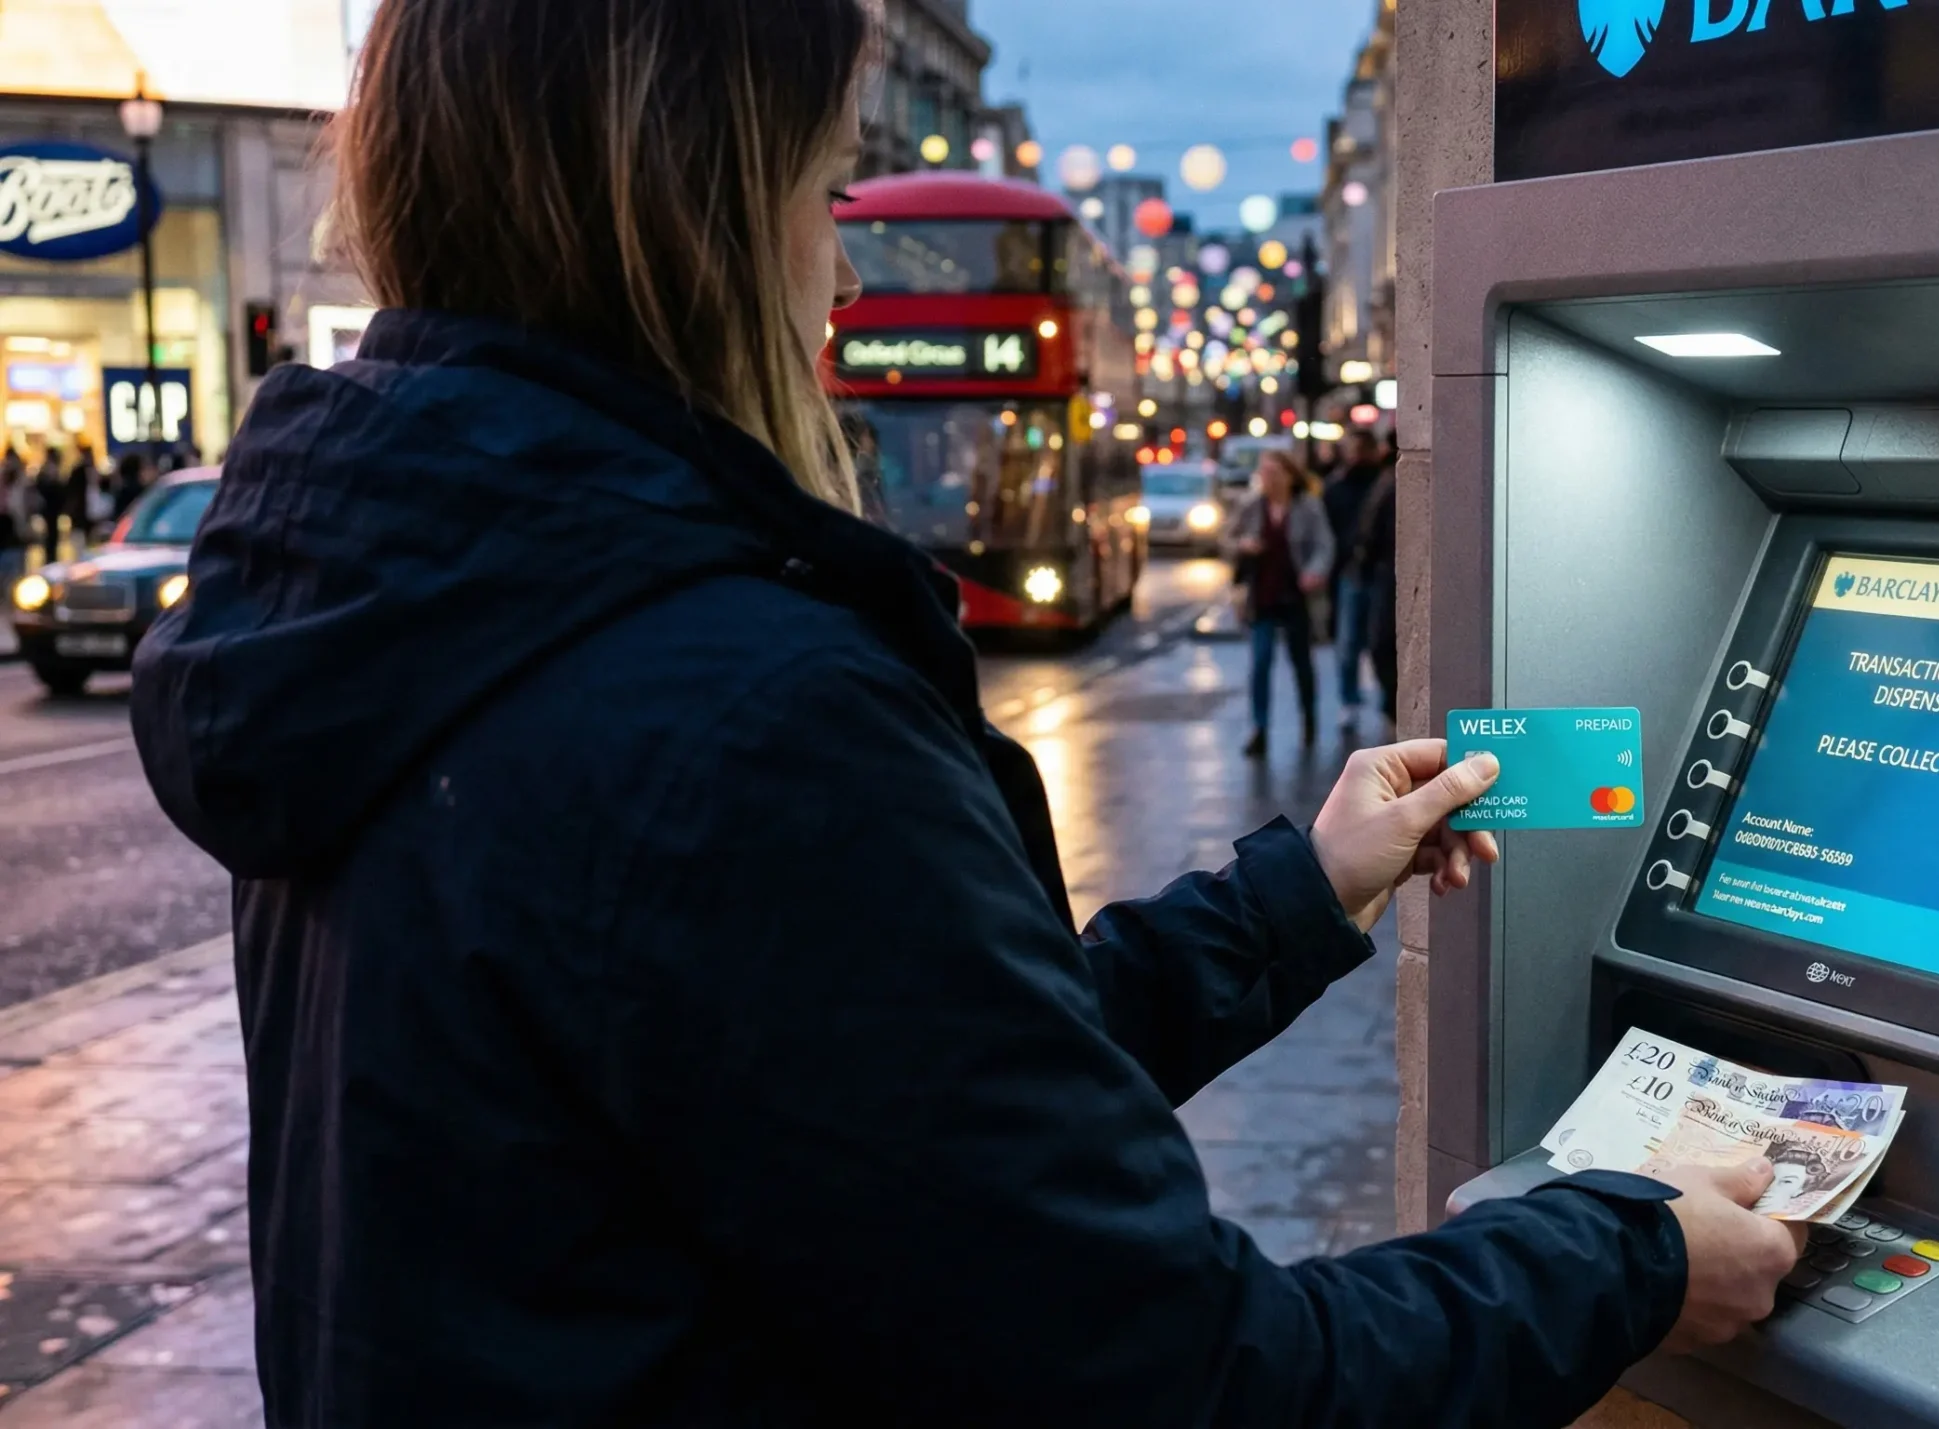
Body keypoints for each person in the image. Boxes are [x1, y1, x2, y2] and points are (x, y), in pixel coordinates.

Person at [129, 1, 1804, 1423]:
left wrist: (1303, 887)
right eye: (833, 187)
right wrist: (1628, 1248)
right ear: (712, 198)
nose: (843, 275)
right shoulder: (743, 712)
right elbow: (1195, 1374)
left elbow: (894, 1113)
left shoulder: (403, 612)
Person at [1223, 450, 1331, 757]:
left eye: (1274, 472)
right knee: (1260, 663)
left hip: (1296, 597)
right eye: (1264, 472)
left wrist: (1314, 571)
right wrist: (1242, 545)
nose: (1268, 479)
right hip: (1263, 597)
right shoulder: (1251, 506)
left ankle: (1309, 719)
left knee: (1301, 662)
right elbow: (1227, 539)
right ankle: (1259, 728)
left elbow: (1325, 544)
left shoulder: (1307, 506)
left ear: (1288, 475)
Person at [1322, 429, 1388, 729]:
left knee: (1379, 640)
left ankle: (1384, 701)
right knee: (1348, 643)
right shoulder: (1336, 487)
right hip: (1352, 571)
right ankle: (1349, 700)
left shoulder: (1382, 482)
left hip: (1376, 570)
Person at [1349, 446, 1399, 720]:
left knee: (1381, 641)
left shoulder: (1387, 486)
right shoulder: (1386, 487)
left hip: (1386, 573)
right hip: (1384, 573)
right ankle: (1391, 702)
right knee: (1380, 642)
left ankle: (1391, 702)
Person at [31, 447, 65, 563]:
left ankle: (51, 558)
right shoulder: (46, 472)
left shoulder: (51, 471)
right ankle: (49, 559)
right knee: (50, 536)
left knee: (53, 536)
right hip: (48, 509)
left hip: (52, 509)